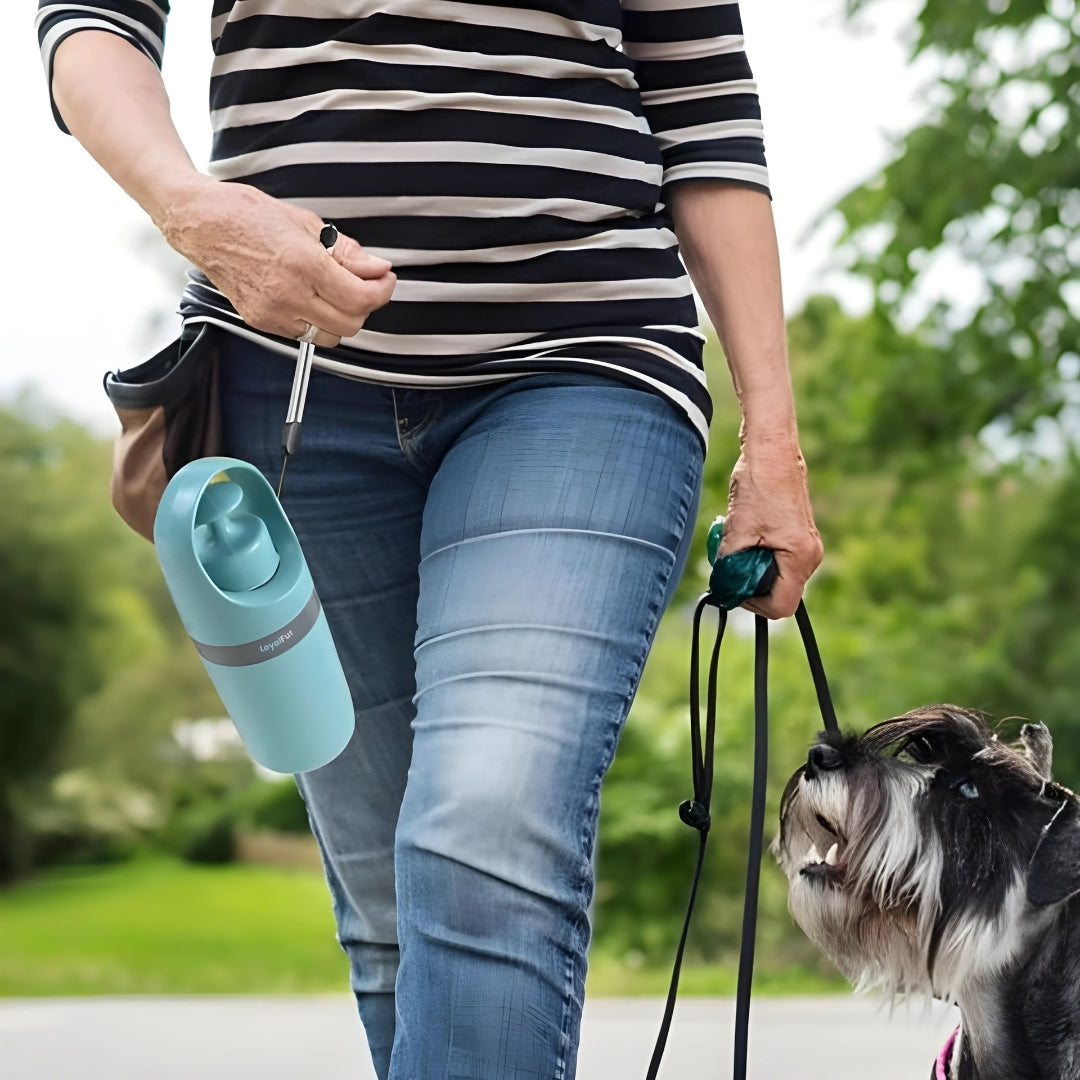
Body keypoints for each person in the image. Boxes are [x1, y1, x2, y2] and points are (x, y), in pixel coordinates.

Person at [37, 2, 823, 1076]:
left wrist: (772, 442)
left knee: (485, 826)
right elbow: (91, 22)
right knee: (388, 899)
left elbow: (705, 106)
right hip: (295, 381)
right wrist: (193, 210)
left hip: (584, 362)